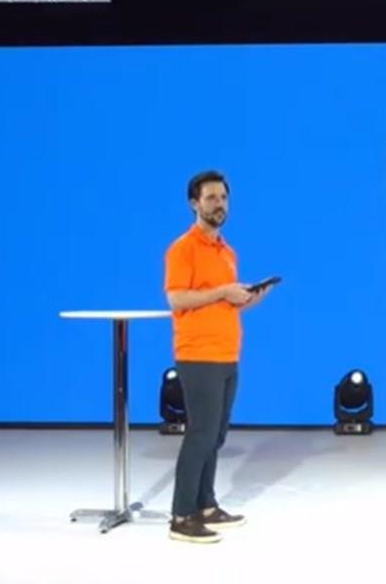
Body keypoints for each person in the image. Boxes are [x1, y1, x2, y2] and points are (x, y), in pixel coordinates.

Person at [163, 170, 272, 544]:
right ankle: (181, 516)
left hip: (227, 352)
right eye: (211, 198)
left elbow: (221, 303)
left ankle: (206, 505)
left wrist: (247, 299)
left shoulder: (227, 252)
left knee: (216, 436)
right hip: (198, 354)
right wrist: (223, 291)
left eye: (223, 198)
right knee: (201, 434)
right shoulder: (183, 249)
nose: (219, 204)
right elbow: (177, 298)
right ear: (194, 203)